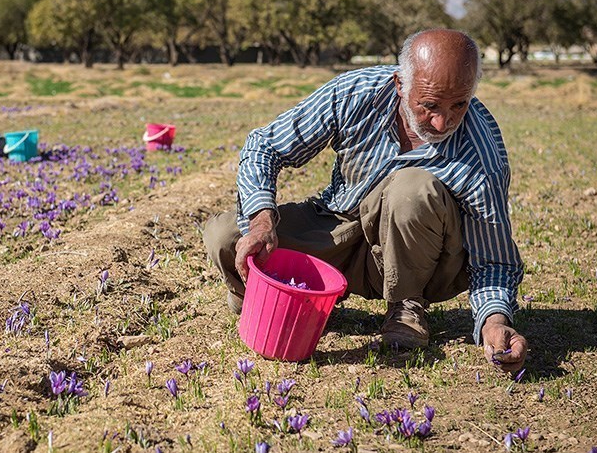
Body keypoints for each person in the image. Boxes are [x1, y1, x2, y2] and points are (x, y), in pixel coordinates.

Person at [203, 29, 528, 373]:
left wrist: (494, 321)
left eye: (459, 104)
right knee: (225, 236)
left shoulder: (481, 152)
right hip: (339, 226)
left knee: (412, 187)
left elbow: (494, 260)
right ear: (400, 84)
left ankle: (406, 307)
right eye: (430, 105)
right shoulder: (356, 92)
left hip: (423, 258)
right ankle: (265, 293)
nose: (442, 121)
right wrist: (261, 222)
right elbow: (265, 146)